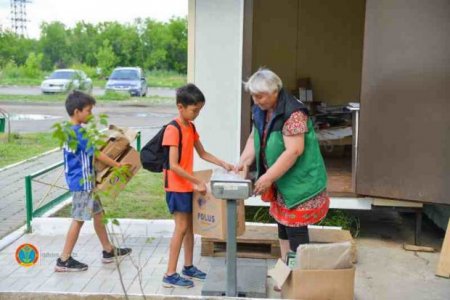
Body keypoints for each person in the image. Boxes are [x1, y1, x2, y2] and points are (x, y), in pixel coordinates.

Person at [236, 68, 329, 263]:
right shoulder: (261, 109)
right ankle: (287, 268)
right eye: (253, 96)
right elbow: (255, 136)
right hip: (282, 179)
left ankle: (299, 276)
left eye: (260, 96)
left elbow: (294, 151)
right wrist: (243, 162)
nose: (255, 100)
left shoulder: (293, 113)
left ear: (275, 92)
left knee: (295, 227)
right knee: (283, 223)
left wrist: (267, 178)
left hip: (300, 180)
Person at [162, 83, 233, 288]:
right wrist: (197, 182)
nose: (197, 114)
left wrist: (223, 163)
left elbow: (202, 153)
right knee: (181, 228)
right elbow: (174, 165)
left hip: (187, 185)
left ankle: (188, 266)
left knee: (189, 228)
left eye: (199, 110)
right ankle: (169, 273)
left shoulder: (190, 127)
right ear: (180, 107)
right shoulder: (172, 129)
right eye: (194, 110)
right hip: (176, 186)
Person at [55, 90, 132, 272]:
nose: (91, 114)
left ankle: (108, 250)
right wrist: (117, 165)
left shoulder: (68, 130)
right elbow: (96, 154)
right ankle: (63, 259)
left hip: (81, 181)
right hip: (83, 184)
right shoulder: (78, 132)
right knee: (79, 219)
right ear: (77, 111)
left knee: (99, 214)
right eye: (88, 110)